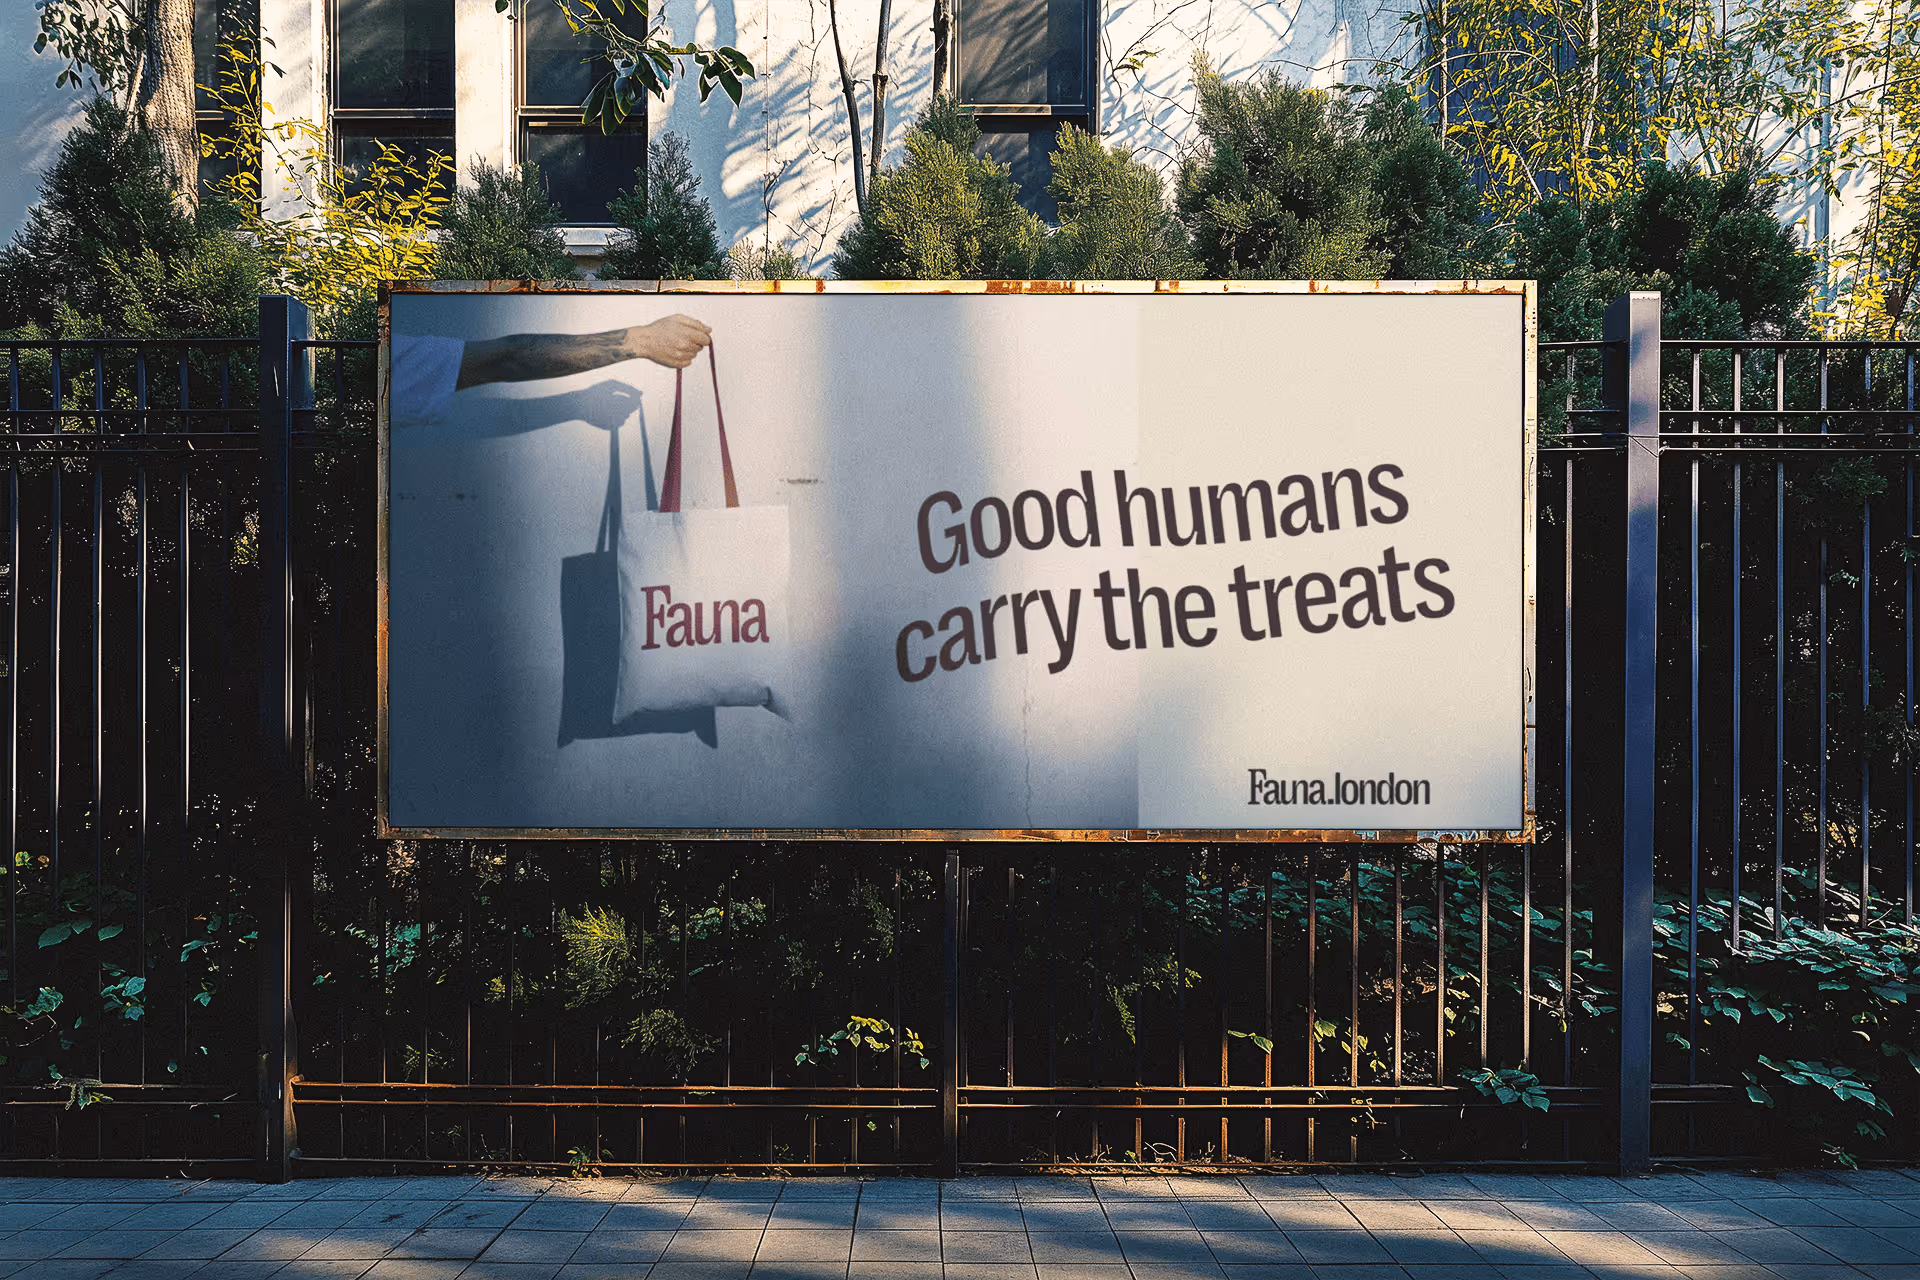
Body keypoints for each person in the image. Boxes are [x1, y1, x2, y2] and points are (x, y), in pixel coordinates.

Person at [390, 314, 712, 429]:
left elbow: (507, 359)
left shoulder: (390, 363)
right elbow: (507, 359)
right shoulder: (390, 361)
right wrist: (643, 340)